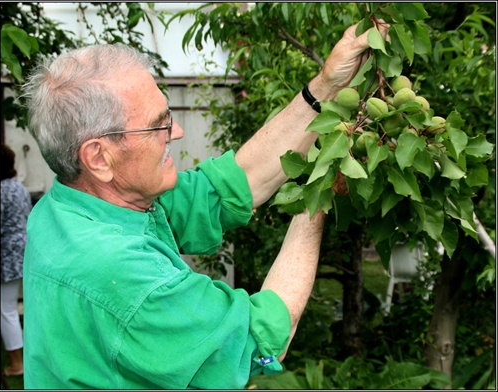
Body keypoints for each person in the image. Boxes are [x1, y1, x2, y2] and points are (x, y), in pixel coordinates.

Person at [21, 21, 387, 389]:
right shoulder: (127, 278)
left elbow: (232, 184)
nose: (176, 132)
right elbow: (262, 339)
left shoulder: (69, 205)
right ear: (99, 158)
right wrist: (319, 196)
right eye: (158, 125)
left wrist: (326, 84)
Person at [0, 143, 32, 377]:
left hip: (7, 255)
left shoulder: (2, 190)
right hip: (23, 251)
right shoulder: (18, 187)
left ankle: (17, 364)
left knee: (5, 309)